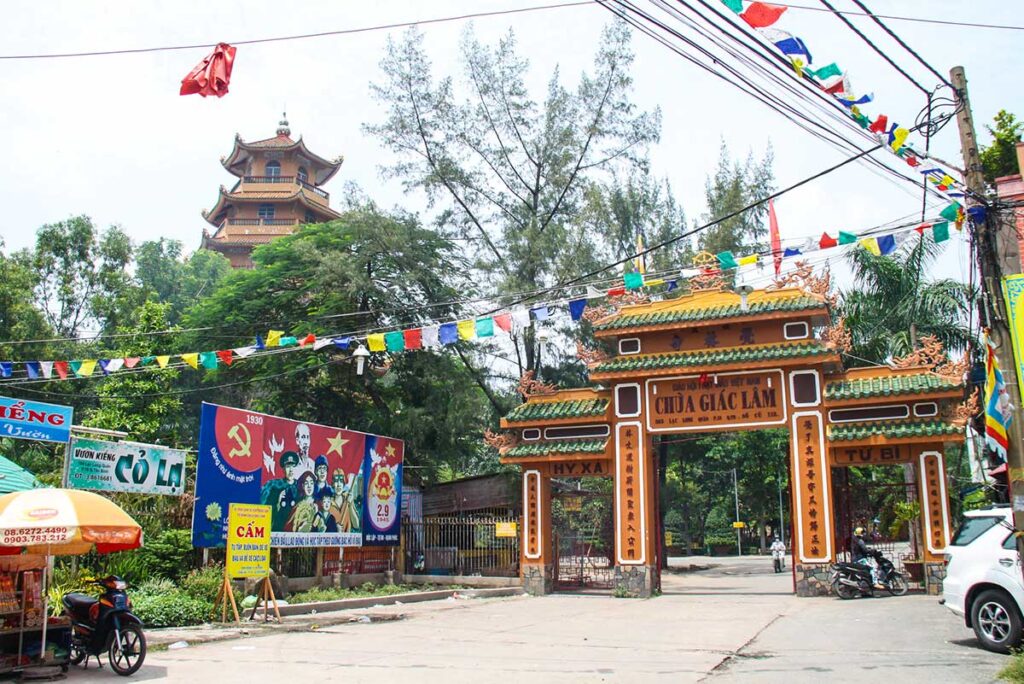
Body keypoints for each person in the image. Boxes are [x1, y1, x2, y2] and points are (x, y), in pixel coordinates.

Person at [260, 451, 300, 531]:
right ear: (283, 469)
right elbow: (264, 511)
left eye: (293, 466)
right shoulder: (274, 487)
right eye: (288, 466)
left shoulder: (301, 486)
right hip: (278, 529)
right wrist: (278, 503)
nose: (291, 470)